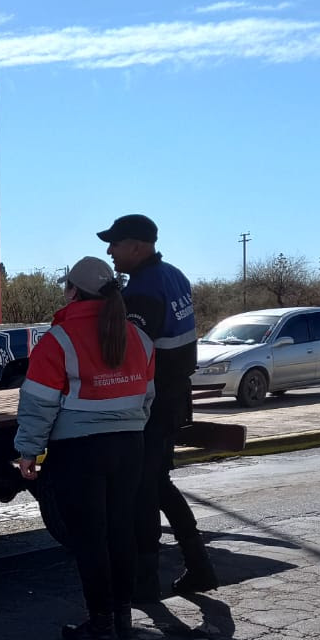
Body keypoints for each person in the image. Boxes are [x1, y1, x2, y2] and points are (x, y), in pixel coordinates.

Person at [14, 256, 155, 640]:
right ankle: (122, 616)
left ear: (72, 291)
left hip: (80, 451)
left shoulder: (58, 341)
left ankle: (100, 625)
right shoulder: (139, 339)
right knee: (120, 529)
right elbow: (146, 399)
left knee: (91, 537)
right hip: (129, 446)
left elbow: (38, 404)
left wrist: (28, 450)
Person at [99, 213, 219, 600]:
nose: (109, 251)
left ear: (137, 246)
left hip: (153, 400)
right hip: (174, 395)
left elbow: (130, 355)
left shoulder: (143, 292)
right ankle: (198, 566)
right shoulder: (174, 275)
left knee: (144, 489)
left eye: (115, 244)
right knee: (157, 483)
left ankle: (145, 581)